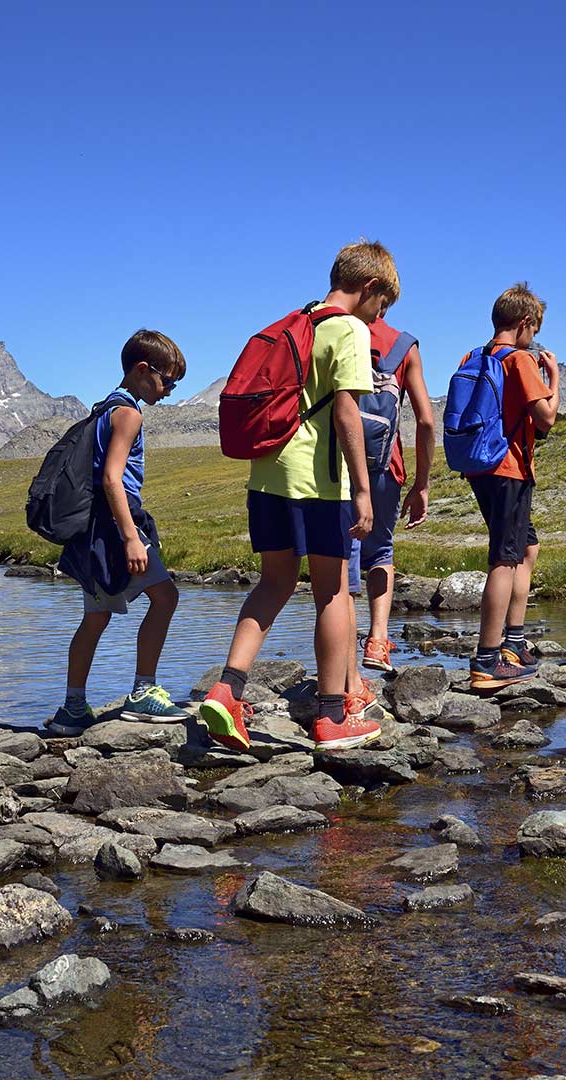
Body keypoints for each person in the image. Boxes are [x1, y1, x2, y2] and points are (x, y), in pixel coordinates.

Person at [199, 241, 399, 752]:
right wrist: (362, 488)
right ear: (371, 287)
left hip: (266, 476)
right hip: (319, 483)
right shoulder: (348, 329)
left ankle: (228, 689)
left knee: (274, 582)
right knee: (331, 590)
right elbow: (347, 413)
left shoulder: (296, 323)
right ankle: (334, 716)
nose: (380, 317)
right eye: (383, 306)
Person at [52, 330, 189, 727]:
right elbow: (113, 478)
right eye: (168, 380)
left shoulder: (103, 408)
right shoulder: (129, 413)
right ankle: (144, 692)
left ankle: (73, 707)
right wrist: (132, 537)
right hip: (116, 525)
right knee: (166, 599)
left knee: (95, 618)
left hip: (90, 529)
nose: (169, 390)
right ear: (143, 370)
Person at [465, 283, 559, 692]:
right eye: (534, 328)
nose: (535, 336)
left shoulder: (473, 355)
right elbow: (546, 418)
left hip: (481, 467)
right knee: (505, 558)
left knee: (526, 548)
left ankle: (514, 642)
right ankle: (488, 659)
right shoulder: (519, 360)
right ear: (524, 323)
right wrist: (552, 378)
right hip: (509, 469)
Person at [349, 316, 435, 673]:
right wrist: (422, 484)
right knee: (381, 550)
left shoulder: (328, 328)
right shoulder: (402, 345)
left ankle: (343, 664)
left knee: (343, 556)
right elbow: (427, 421)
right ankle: (378, 641)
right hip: (386, 465)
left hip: (336, 465)